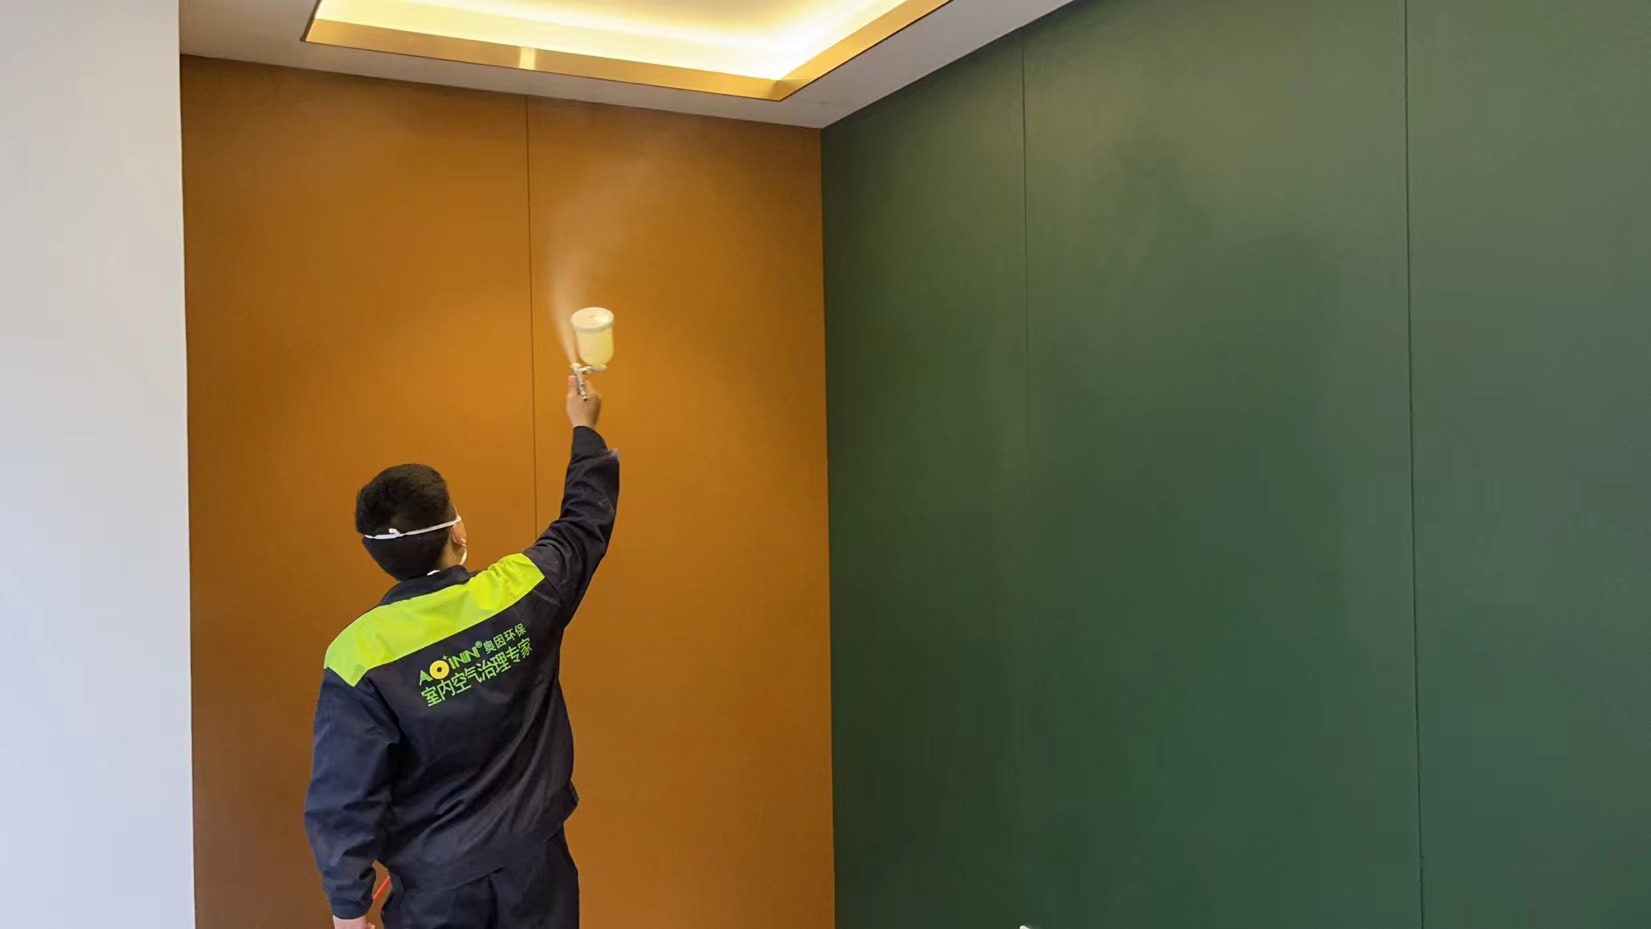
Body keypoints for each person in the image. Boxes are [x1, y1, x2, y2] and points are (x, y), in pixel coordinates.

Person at [304, 376, 619, 929]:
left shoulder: (358, 656)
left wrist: (348, 910)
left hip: (437, 898)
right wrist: (583, 427)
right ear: (457, 531)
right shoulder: (523, 589)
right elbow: (584, 523)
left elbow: (344, 795)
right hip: (537, 872)